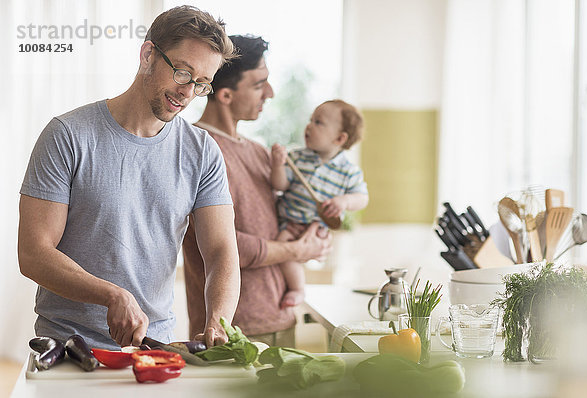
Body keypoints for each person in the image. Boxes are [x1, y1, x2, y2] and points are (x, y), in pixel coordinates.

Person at [17, 6, 241, 350]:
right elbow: (33, 253)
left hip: (154, 348)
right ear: (148, 54)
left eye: (201, 84)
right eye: (182, 72)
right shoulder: (68, 135)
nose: (187, 93)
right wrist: (111, 294)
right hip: (67, 349)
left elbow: (221, 250)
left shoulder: (202, 152)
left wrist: (217, 319)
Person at [182, 35, 332, 348]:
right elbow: (226, 246)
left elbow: (279, 222)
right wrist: (296, 250)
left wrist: (312, 235)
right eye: (258, 84)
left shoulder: (260, 153)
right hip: (229, 332)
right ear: (224, 95)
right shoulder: (195, 150)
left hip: (282, 319)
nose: (271, 93)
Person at [271, 100, 369, 308]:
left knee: (288, 253)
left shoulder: (348, 171)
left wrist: (344, 201)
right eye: (310, 120)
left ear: (339, 138)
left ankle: (297, 289)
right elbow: (280, 184)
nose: (309, 125)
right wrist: (278, 165)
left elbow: (362, 197)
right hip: (290, 222)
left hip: (317, 227)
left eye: (318, 122)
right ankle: (295, 287)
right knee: (284, 250)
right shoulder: (296, 157)